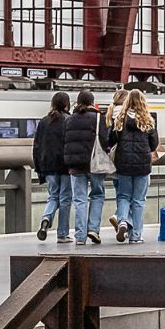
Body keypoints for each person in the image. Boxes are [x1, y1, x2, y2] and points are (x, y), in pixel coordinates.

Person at [103, 89, 161, 243]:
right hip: (142, 166)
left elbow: (110, 140)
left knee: (123, 196)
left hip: (124, 164)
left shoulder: (120, 120)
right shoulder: (148, 120)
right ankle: (135, 236)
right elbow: (154, 144)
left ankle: (122, 221)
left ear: (127, 102)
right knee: (138, 201)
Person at [60, 90, 108, 244]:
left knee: (79, 200)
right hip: (94, 164)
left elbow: (64, 141)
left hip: (74, 165)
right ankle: (93, 229)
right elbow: (105, 140)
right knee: (97, 195)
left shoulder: (69, 119)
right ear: (92, 103)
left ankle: (80, 237)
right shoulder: (98, 118)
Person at [33, 92, 73, 243]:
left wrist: (39, 168)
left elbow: (37, 146)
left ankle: (46, 218)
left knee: (53, 196)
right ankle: (62, 234)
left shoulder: (43, 122)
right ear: (66, 104)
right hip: (66, 165)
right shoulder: (69, 120)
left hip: (48, 165)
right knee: (65, 199)